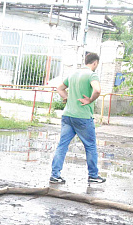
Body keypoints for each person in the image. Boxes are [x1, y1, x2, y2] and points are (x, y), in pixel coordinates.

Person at [50, 52, 105, 184]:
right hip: (83, 117)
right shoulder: (92, 74)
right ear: (95, 63)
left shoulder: (73, 74)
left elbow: (60, 88)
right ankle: (93, 175)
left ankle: (55, 175)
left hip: (67, 115)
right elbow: (97, 90)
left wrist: (66, 97)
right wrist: (90, 100)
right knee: (90, 146)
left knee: (62, 146)